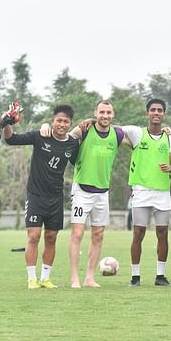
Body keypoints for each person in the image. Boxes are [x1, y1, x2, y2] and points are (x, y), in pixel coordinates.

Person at [3, 104, 79, 289]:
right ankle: (31, 278)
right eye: (58, 120)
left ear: (70, 124)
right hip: (36, 196)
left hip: (56, 198)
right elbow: (11, 139)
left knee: (51, 237)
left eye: (65, 121)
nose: (61, 124)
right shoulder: (40, 135)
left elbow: (80, 161)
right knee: (34, 236)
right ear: (53, 121)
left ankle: (45, 279)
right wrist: (6, 122)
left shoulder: (72, 144)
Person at [68, 100, 124, 288]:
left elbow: (141, 138)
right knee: (77, 234)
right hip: (81, 190)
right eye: (102, 112)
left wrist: (165, 132)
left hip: (102, 192)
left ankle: (90, 278)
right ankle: (75, 278)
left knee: (98, 235)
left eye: (108, 112)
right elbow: (64, 137)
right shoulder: (84, 130)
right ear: (95, 112)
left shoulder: (117, 134)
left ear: (113, 115)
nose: (105, 116)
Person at [123, 99, 171, 287]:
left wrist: (170, 168)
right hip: (141, 190)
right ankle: (135, 276)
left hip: (162, 192)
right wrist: (91, 121)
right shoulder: (137, 133)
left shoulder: (170, 138)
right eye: (153, 110)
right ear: (147, 113)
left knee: (162, 233)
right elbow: (113, 129)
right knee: (138, 232)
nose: (156, 113)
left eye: (160, 110)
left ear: (164, 114)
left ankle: (160, 275)